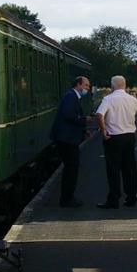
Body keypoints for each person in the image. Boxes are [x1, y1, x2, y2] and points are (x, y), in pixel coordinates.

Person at [95, 74, 137, 208]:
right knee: (130, 168)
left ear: (112, 86)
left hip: (113, 138)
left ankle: (113, 199)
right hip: (129, 137)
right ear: (124, 85)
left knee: (113, 169)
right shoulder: (131, 99)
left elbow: (99, 114)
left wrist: (103, 131)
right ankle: (131, 198)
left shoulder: (108, 99)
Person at [49, 75, 92, 207]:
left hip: (67, 138)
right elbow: (69, 115)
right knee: (71, 168)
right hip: (67, 139)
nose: (87, 89)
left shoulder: (72, 96)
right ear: (78, 84)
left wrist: (83, 130)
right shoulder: (70, 97)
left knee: (71, 168)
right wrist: (84, 120)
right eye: (86, 86)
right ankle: (67, 198)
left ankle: (68, 197)